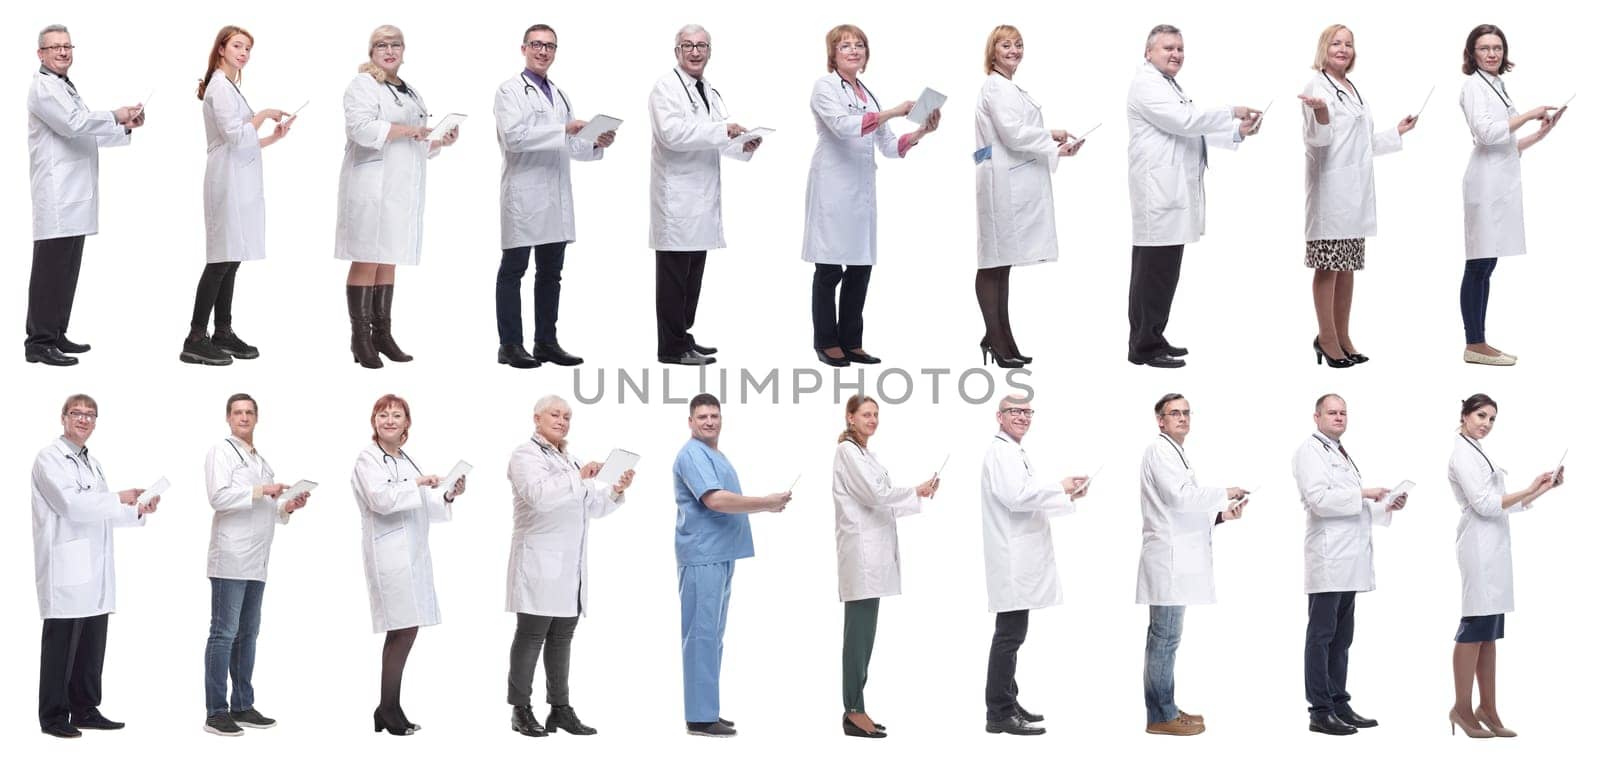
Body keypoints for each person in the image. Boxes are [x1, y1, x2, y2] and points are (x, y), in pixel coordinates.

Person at [803, 25, 939, 367]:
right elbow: (843, 126)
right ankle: (826, 341)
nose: (853, 50)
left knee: (860, 268)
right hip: (833, 189)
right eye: (845, 46)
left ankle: (851, 341)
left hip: (861, 193)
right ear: (832, 54)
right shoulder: (825, 87)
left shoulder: (868, 94)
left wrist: (922, 129)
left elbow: (889, 147)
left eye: (859, 45)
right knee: (830, 268)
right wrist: (893, 111)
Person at [1125, 25, 1260, 369]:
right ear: (1148, 52)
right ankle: (1142, 347)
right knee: (1152, 273)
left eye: (1180, 49)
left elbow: (1191, 131)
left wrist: (1236, 132)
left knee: (1165, 272)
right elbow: (1185, 122)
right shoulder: (1145, 84)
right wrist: (1232, 111)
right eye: (1168, 47)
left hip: (1171, 193)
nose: (1176, 54)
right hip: (1158, 194)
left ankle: (1154, 336)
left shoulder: (1169, 85)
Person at [504, 395, 634, 737]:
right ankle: (520, 709)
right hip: (537, 562)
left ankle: (559, 709)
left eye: (567, 416)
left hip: (568, 568)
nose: (562, 421)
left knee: (562, 637)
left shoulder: (569, 458)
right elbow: (540, 496)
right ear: (536, 418)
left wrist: (616, 491)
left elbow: (593, 506)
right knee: (531, 636)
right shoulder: (525, 455)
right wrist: (579, 474)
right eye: (555, 414)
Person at [32, 393, 157, 738]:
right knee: (62, 646)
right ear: (63, 417)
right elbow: (71, 505)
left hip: (94, 569)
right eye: (77, 413)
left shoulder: (92, 462)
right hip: (66, 568)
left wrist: (136, 509)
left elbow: (100, 510)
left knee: (91, 644)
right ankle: (54, 717)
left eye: (90, 415)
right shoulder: (49, 459)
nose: (84, 419)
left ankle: (85, 709)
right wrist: (119, 497)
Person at [335, 25, 459, 369]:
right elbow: (359, 129)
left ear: (404, 50)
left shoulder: (410, 92)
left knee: (388, 256)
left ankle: (382, 334)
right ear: (371, 51)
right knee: (366, 257)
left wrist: (438, 140)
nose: (389, 50)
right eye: (381, 45)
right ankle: (360, 338)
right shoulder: (363, 85)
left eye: (395, 44)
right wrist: (407, 130)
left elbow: (416, 142)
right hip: (371, 184)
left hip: (400, 186)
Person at [494, 24, 616, 369]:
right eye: (537, 44)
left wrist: (594, 141)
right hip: (524, 195)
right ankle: (510, 345)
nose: (543, 51)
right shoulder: (509, 91)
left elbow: (572, 146)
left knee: (551, 272)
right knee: (514, 270)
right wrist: (564, 128)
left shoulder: (559, 94)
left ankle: (546, 342)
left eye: (549, 46)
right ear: (523, 49)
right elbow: (514, 138)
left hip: (555, 196)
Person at [25, 24, 145, 366]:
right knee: (50, 270)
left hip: (75, 194)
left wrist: (124, 126)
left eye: (67, 46)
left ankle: (56, 333)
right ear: (41, 54)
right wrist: (114, 114)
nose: (63, 52)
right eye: (55, 47)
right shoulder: (43, 88)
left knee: (67, 269)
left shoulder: (65, 88)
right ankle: (38, 342)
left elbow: (85, 131)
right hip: (57, 194)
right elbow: (76, 124)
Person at [673, 393, 790, 736]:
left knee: (713, 636)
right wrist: (765, 503)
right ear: (690, 421)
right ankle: (699, 716)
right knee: (701, 635)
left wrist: (765, 505)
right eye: (702, 416)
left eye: (714, 415)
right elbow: (715, 500)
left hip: (720, 553)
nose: (709, 421)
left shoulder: (712, 453)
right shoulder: (692, 454)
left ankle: (708, 709)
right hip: (703, 554)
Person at [1446, 393, 1563, 738]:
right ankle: (1461, 708)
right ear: (1465, 415)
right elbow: (1484, 505)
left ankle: (1489, 708)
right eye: (1481, 415)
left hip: (1494, 547)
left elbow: (1501, 506)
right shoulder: (1461, 455)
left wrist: (1541, 489)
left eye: (1492, 419)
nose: (1486, 423)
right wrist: (1527, 487)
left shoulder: (1479, 452)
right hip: (1478, 548)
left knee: (1489, 634)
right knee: (1474, 628)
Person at [1300, 25, 1416, 368]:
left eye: (1348, 44)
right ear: (1324, 48)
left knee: (1347, 267)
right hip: (1331, 196)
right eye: (1336, 43)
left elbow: (1361, 143)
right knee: (1328, 266)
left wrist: (1396, 132)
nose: (1343, 48)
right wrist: (1320, 114)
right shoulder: (1316, 87)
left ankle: (1344, 335)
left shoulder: (1352, 89)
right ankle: (1326, 338)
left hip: (1355, 195)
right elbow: (1317, 140)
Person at [1291, 393, 1406, 735]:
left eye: (1343, 412)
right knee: (1322, 636)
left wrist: (1385, 505)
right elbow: (1319, 501)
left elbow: (1351, 505)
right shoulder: (1309, 452)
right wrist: (1362, 494)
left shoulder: (1339, 451)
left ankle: (1339, 702)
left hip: (1349, 560)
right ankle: (1320, 710)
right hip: (1329, 559)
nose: (1339, 417)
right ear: (1316, 417)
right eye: (1332, 412)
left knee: (1342, 639)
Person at [648, 24, 763, 366]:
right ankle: (670, 348)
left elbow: (712, 136)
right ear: (677, 51)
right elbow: (671, 134)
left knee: (692, 276)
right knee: (673, 278)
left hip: (700, 199)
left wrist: (742, 144)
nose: (695, 52)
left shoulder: (707, 90)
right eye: (688, 45)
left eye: (701, 46)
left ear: (709, 51)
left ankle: (683, 337)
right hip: (677, 199)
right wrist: (720, 130)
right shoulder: (665, 88)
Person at [352, 394, 467, 735]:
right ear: (374, 421)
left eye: (397, 415)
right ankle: (387, 708)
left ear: (406, 423)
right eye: (383, 414)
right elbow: (382, 500)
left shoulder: (405, 459)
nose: (389, 420)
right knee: (402, 630)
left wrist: (447, 493)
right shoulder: (368, 459)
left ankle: (390, 707)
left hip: (412, 554)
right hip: (388, 555)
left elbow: (423, 504)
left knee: (405, 628)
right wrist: (417, 484)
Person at [181, 26, 295, 366]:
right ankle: (195, 338)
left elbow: (243, 141)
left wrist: (273, 137)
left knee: (232, 258)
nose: (243, 53)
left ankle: (223, 332)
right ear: (221, 49)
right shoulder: (218, 86)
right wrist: (262, 115)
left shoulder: (229, 87)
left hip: (238, 180)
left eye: (247, 48)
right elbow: (233, 135)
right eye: (237, 46)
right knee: (219, 260)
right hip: (224, 181)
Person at [1136, 393, 1248, 735]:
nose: (1182, 418)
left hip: (1177, 556)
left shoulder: (1174, 452)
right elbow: (1178, 498)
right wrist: (1223, 491)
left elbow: (1180, 510)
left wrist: (1221, 516)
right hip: (1167, 559)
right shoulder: (1159, 450)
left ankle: (1165, 706)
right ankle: (1160, 715)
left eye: (1186, 413)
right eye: (1174, 413)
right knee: (1164, 638)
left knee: (1168, 638)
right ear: (1160, 420)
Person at [200, 393, 309, 736]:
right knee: (223, 634)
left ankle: (243, 705)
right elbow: (218, 497)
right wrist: (263, 490)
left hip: (257, 561)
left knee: (248, 635)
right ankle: (216, 711)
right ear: (228, 418)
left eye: (249, 412)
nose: (244, 417)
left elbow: (265, 509)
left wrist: (286, 507)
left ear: (257, 418)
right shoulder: (221, 452)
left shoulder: (260, 460)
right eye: (238, 412)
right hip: (230, 559)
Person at [974, 25, 1083, 368]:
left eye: (1018, 45)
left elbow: (1016, 128)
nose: (1014, 50)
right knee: (993, 261)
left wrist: (1051, 134)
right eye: (1006, 45)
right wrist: (1055, 148)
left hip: (1005, 176)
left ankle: (1001, 337)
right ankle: (996, 337)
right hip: (1001, 182)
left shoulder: (1007, 87)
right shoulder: (996, 87)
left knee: (1001, 261)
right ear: (993, 51)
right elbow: (1013, 134)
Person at [979, 394, 1087, 736]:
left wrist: (1066, 496)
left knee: (1014, 633)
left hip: (1020, 558)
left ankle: (1008, 700)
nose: (1023, 417)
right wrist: (1059, 486)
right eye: (1015, 411)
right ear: (999, 416)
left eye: (1027, 412)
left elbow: (1029, 496)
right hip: (1012, 559)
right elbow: (1017, 498)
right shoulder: (1000, 452)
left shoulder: (1014, 451)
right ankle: (998, 712)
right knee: (1008, 636)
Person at [831, 394, 938, 737]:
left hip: (872, 556)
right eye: (866, 414)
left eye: (876, 414)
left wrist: (918, 495)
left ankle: (857, 705)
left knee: (865, 634)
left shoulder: (864, 454)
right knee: (858, 635)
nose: (873, 419)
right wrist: (914, 489)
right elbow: (876, 495)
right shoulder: (847, 452)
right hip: (862, 557)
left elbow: (882, 499)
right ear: (850, 417)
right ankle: (852, 709)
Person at [1457, 25, 1563, 366]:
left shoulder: (1497, 85)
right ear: (1472, 53)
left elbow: (1506, 144)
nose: (1492, 53)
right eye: (1484, 48)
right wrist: (1530, 113)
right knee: (1478, 265)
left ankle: (1480, 342)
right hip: (1484, 184)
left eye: (1497, 48)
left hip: (1498, 182)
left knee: (1487, 265)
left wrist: (1540, 134)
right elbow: (1487, 135)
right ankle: (1474, 343)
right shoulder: (1473, 86)